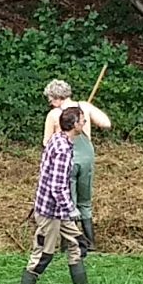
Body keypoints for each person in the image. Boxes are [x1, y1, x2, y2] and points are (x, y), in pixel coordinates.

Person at [21, 106, 87, 284]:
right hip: (50, 211)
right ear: (74, 125)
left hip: (60, 211)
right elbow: (57, 187)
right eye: (82, 120)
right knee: (43, 254)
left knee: (77, 244)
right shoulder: (62, 149)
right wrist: (71, 209)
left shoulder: (59, 138)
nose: (84, 123)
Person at [42, 78, 112, 253]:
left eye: (50, 99)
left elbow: (46, 142)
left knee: (68, 200)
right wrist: (88, 110)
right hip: (87, 158)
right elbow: (106, 123)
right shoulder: (83, 108)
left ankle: (69, 245)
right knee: (85, 201)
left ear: (56, 97)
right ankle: (90, 243)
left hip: (69, 160)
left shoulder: (54, 114)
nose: (50, 104)